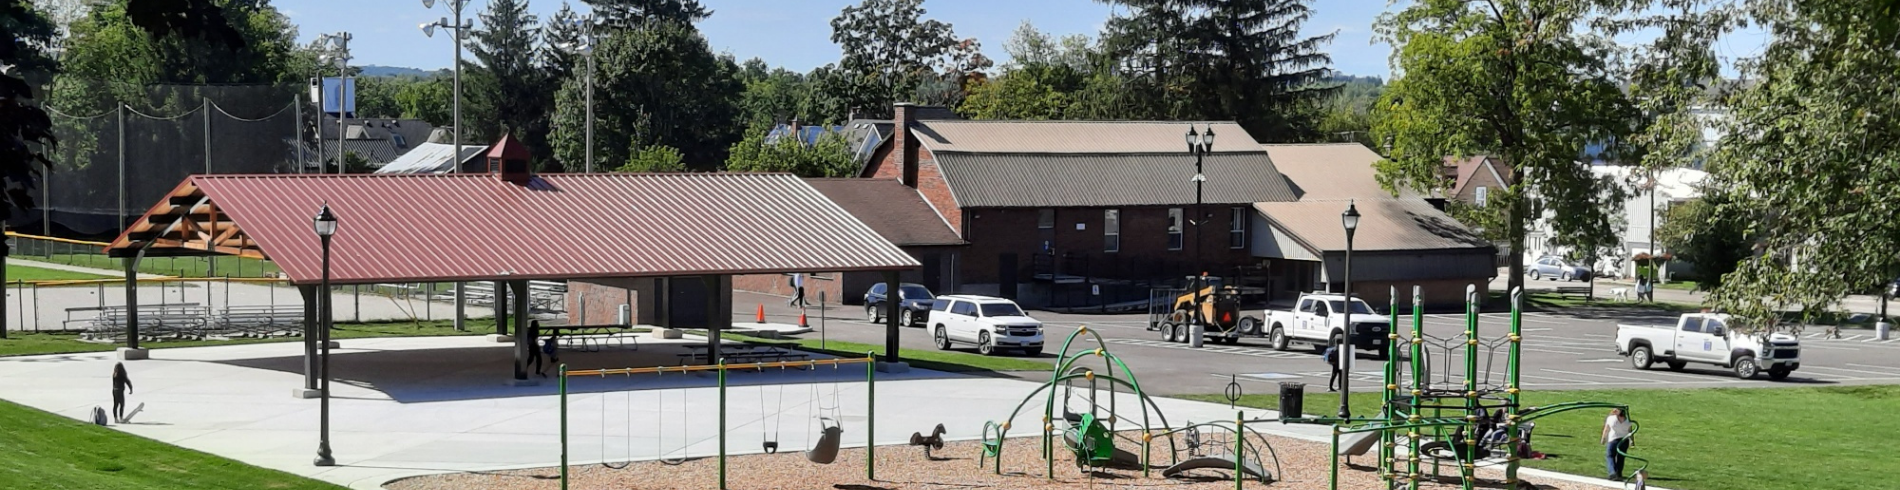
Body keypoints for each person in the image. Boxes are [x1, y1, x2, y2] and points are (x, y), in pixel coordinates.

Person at [1601, 408, 1633, 480]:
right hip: (1624, 441)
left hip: (1613, 440)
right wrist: (1632, 441)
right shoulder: (1628, 421)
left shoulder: (1611, 419)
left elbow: (1606, 429)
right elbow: (1630, 431)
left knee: (1610, 456)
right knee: (1621, 458)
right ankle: (1619, 474)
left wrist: (1603, 439)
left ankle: (1612, 473)